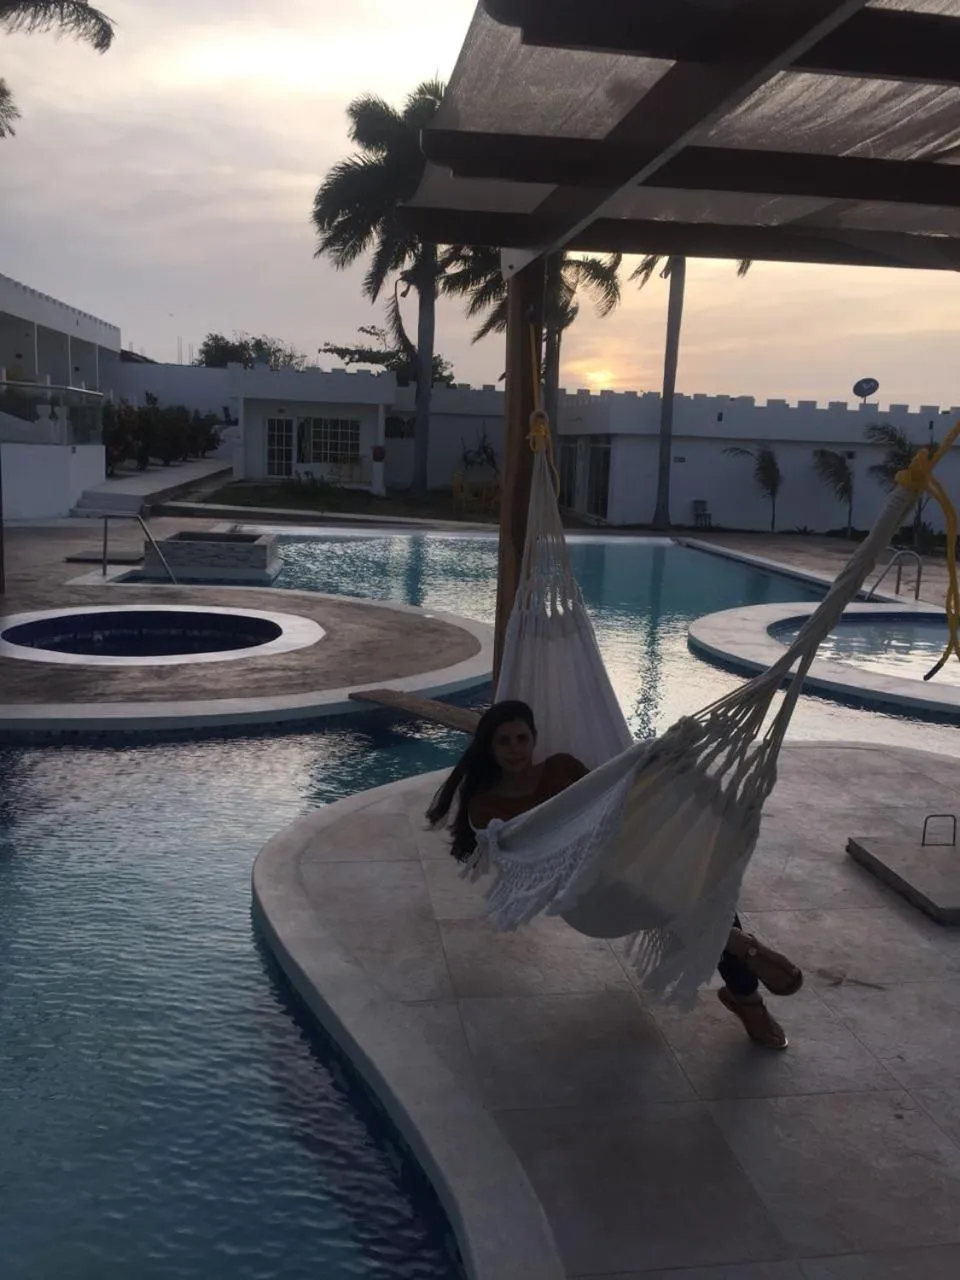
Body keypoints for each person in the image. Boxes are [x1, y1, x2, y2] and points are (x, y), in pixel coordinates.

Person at [428, 700, 803, 1050]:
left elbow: (611, 800)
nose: (515, 749)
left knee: (694, 880)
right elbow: (531, 853)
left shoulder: (560, 767)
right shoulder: (487, 806)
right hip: (584, 892)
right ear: (489, 747)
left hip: (618, 857)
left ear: (534, 739)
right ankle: (743, 954)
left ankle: (744, 989)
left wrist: (660, 767)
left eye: (522, 738)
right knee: (668, 896)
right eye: (504, 741)